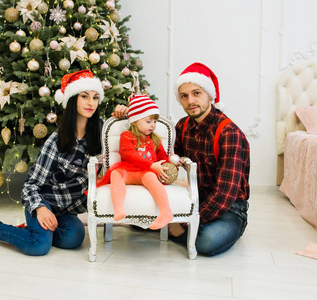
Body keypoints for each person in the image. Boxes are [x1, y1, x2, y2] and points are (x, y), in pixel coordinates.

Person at [0, 69, 127, 256]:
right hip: (43, 202)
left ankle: (36, 230)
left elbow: (129, 138)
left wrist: (123, 116)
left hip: (65, 210)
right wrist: (40, 209)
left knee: (74, 239)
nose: (91, 103)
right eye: (84, 96)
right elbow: (31, 186)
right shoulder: (56, 141)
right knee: (38, 246)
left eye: (96, 98)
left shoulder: (102, 130)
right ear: (73, 100)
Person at [168, 62, 250, 257]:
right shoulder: (183, 125)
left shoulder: (229, 133)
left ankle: (181, 230)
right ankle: (180, 230)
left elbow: (224, 193)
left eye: (197, 93)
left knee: (207, 242)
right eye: (184, 96)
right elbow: (164, 154)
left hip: (229, 207)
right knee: (143, 218)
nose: (190, 101)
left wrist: (185, 222)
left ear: (210, 96)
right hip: (196, 198)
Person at [97, 95, 173, 230]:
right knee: (115, 174)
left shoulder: (155, 140)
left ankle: (166, 212)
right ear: (134, 121)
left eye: (155, 122)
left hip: (146, 172)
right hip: (129, 171)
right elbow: (128, 154)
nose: (153, 125)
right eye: (148, 121)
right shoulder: (127, 136)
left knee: (151, 177)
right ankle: (119, 209)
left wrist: (169, 165)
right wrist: (151, 164)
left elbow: (163, 157)